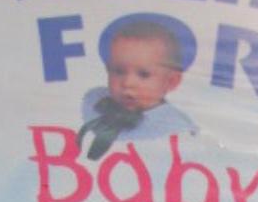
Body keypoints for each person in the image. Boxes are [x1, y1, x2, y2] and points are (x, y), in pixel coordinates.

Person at [78, 20, 197, 160]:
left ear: (171, 81)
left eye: (143, 74)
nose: (127, 83)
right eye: (119, 71)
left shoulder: (177, 128)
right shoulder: (94, 100)